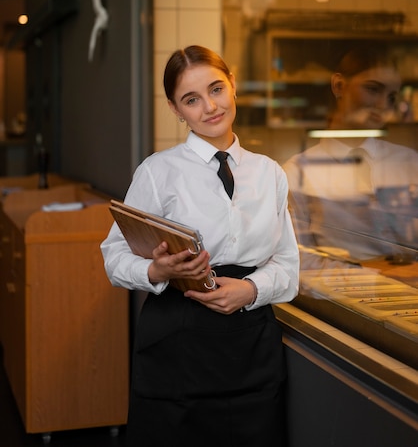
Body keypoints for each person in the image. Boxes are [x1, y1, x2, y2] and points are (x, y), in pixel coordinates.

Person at [101, 45, 299, 447]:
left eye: (216, 89)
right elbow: (114, 256)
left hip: (252, 342)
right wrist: (158, 270)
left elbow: (289, 266)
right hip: (177, 340)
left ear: (233, 89)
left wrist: (252, 290)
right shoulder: (158, 171)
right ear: (176, 110)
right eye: (192, 99)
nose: (210, 106)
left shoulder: (269, 173)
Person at [284, 44, 418, 262]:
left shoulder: (409, 163)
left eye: (392, 97)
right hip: (343, 293)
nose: (383, 104)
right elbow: (298, 262)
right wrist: (374, 272)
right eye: (373, 89)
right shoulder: (298, 172)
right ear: (338, 85)